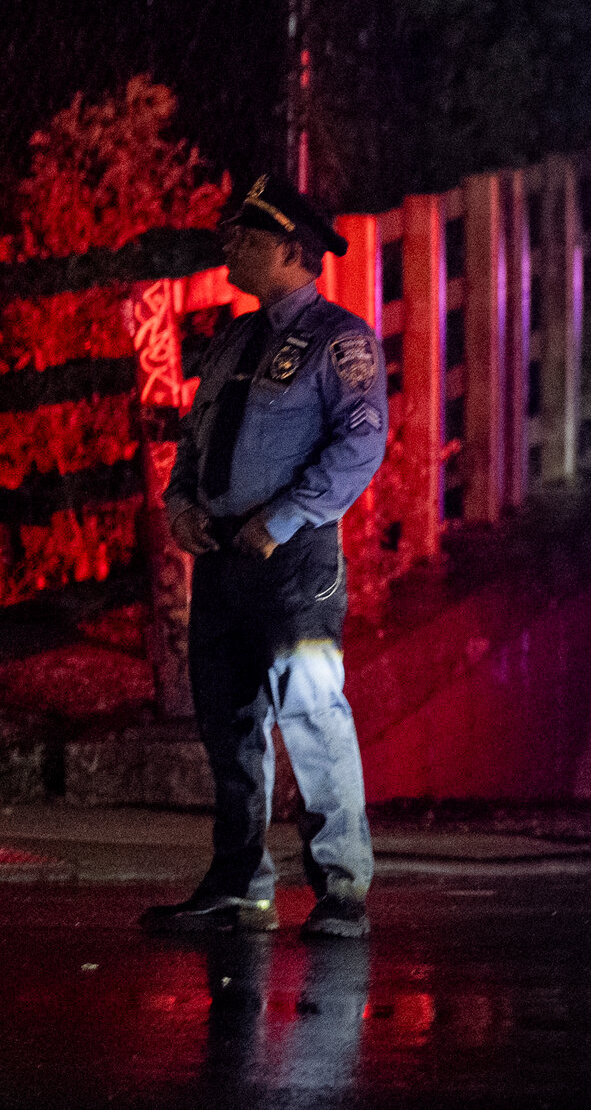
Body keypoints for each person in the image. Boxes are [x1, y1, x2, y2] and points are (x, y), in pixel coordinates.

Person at [139, 177, 387, 940]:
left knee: (312, 714)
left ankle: (342, 888)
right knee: (229, 720)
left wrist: (279, 518)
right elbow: (194, 442)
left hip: (293, 556)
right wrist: (182, 505)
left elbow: (361, 441)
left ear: (290, 249)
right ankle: (239, 879)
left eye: (245, 236)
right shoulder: (234, 340)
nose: (229, 245)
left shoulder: (339, 342)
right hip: (223, 554)